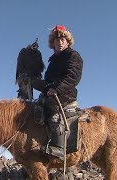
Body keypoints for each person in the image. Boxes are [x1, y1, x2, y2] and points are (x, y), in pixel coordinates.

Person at [33, 24, 83, 159]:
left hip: (65, 94)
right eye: (57, 40)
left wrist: (56, 88)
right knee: (35, 108)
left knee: (51, 107)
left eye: (63, 40)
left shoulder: (73, 56)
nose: (60, 42)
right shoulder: (53, 61)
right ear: (53, 42)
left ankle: (59, 147)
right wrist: (32, 82)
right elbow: (48, 83)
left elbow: (73, 76)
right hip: (53, 92)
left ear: (67, 42)